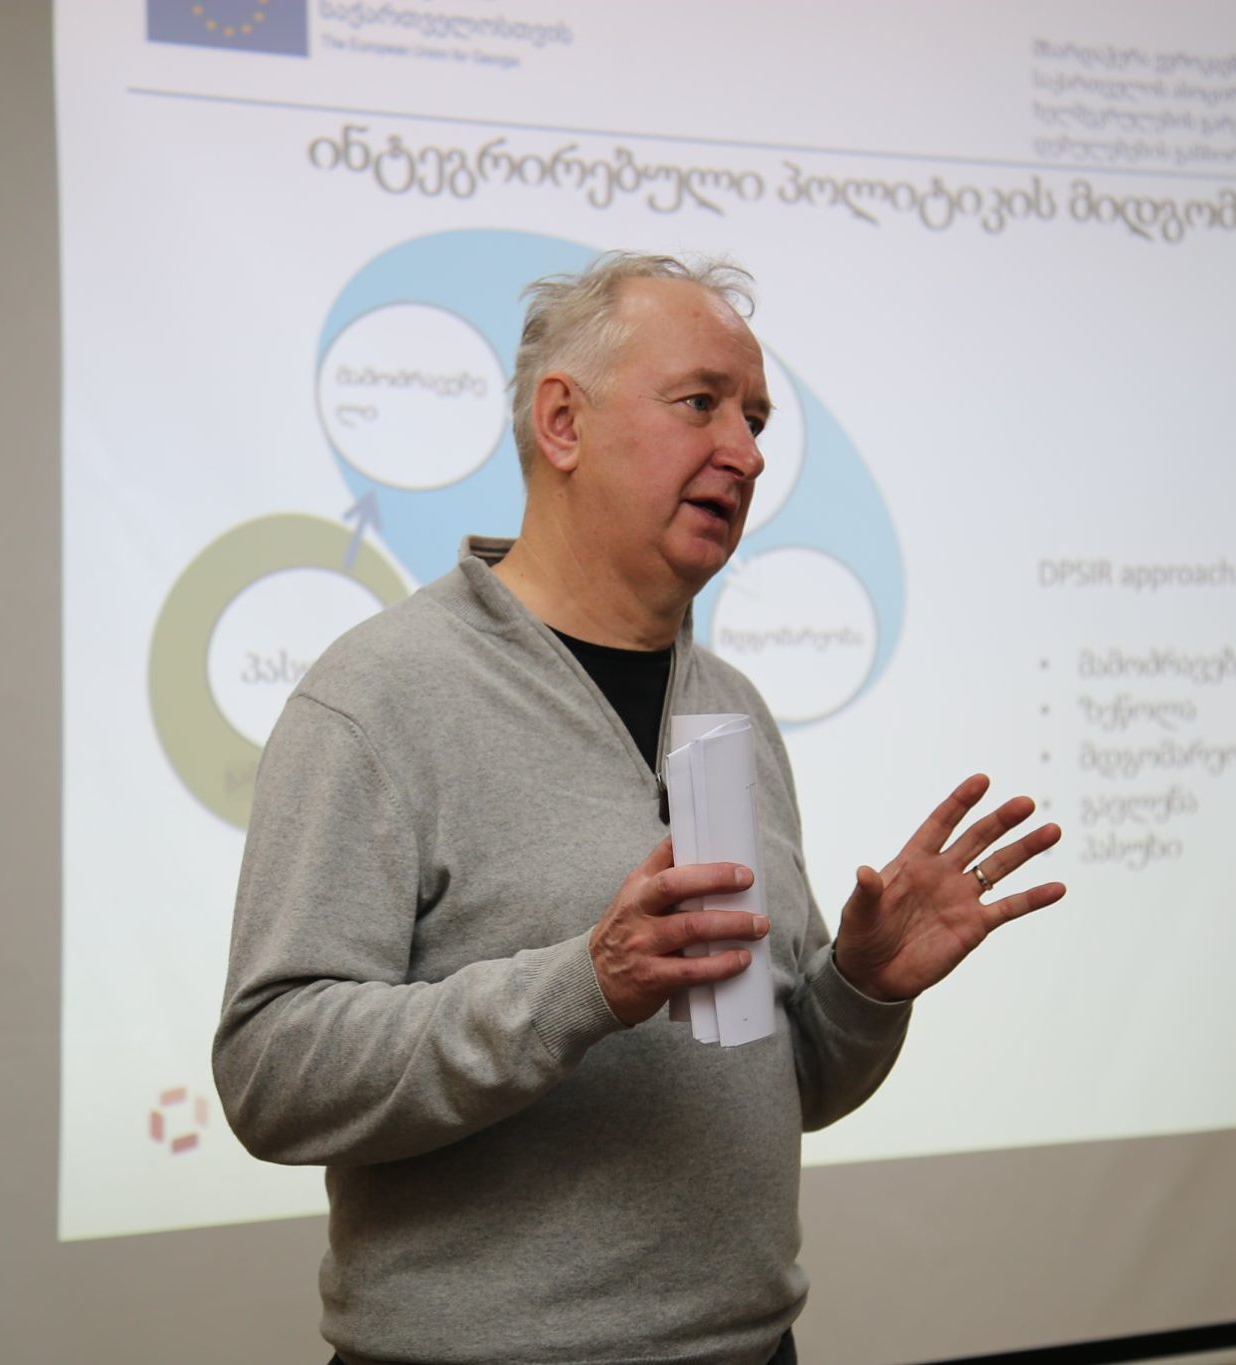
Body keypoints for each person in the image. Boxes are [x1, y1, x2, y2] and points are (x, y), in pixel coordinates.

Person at [214, 252, 1065, 1365]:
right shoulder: (380, 697)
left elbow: (784, 1083)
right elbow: (272, 1075)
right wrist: (581, 986)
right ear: (561, 422)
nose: (747, 454)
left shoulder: (733, 710)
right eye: (700, 403)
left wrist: (860, 989)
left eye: (755, 420)